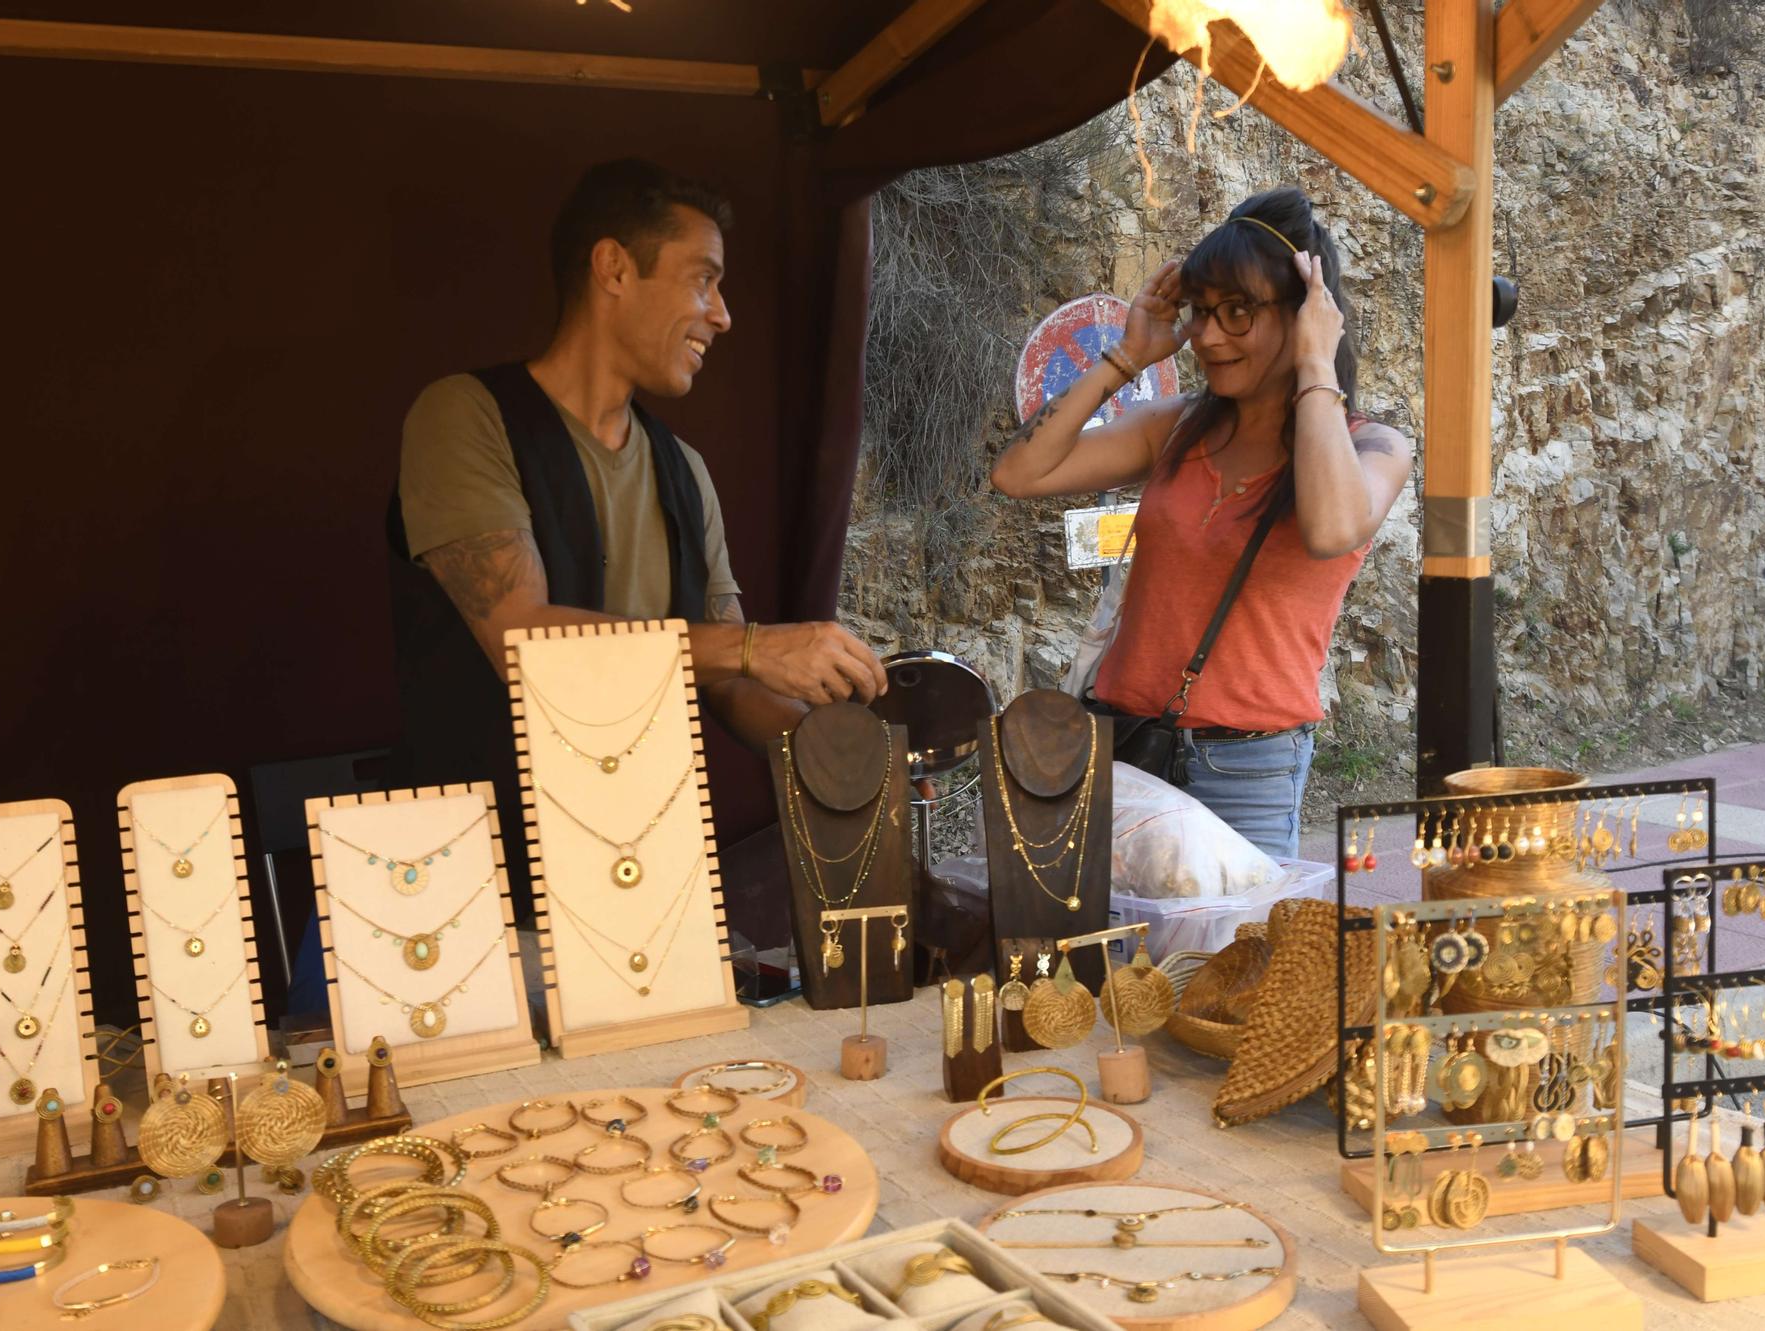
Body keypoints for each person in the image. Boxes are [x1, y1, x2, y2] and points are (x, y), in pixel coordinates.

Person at [386, 159, 885, 896]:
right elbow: (520, 638)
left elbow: (732, 686)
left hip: (644, 882)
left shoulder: (683, 469)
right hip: (481, 889)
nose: (722, 314)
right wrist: (753, 647)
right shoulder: (463, 415)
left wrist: (849, 755)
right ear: (614, 269)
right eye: (703, 279)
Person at [990, 187, 1412, 858]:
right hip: (1125, 747)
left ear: (1306, 314)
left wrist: (1313, 363)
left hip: (1248, 772)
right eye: (1203, 311)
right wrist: (1127, 356)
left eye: (1238, 312)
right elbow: (1019, 473)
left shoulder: (1373, 447)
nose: (1210, 336)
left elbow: (1331, 530)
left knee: (1227, 962)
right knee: (1112, 961)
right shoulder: (1178, 426)